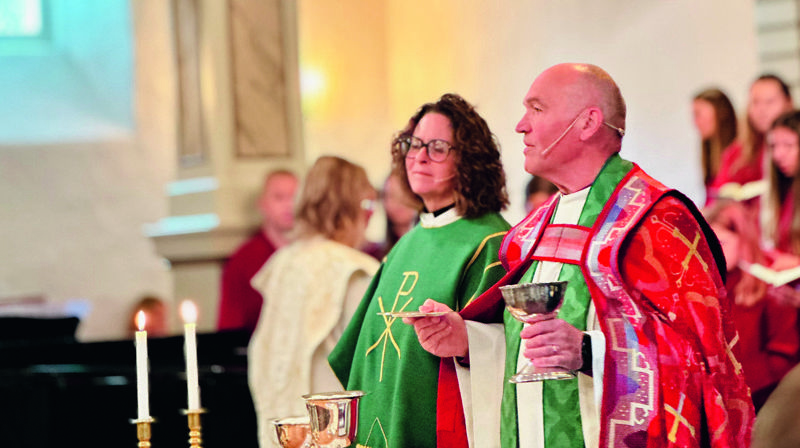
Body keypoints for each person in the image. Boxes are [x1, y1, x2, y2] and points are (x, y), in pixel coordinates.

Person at [408, 63, 754, 447]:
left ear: (588, 123)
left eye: (536, 109)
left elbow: (703, 365)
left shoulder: (656, 221)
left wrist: (589, 351)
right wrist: (468, 339)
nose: (521, 125)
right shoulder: (529, 235)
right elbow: (528, 350)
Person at [328, 93, 511, 448]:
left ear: (470, 159)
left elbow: (499, 356)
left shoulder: (490, 243)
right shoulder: (409, 243)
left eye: (438, 147)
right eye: (413, 144)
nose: (420, 157)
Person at [247, 156, 380, 448]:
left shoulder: (283, 262)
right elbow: (374, 365)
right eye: (367, 205)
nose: (369, 216)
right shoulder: (355, 270)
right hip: (334, 432)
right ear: (349, 208)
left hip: (283, 428)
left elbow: (262, 354)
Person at [705, 200, 798, 411]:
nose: (714, 251)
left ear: (743, 240)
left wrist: (737, 388)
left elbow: (783, 361)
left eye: (722, 242)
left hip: (762, 403)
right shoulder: (711, 290)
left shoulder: (772, 291)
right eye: (710, 243)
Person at [217, 169, 298, 334]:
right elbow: (230, 324)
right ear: (263, 204)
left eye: (295, 197)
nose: (289, 205)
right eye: (279, 197)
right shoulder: (244, 259)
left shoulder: (315, 253)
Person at [710, 75, 793, 204]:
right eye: (755, 102)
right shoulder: (738, 152)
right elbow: (718, 195)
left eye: (769, 101)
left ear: (789, 103)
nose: (762, 109)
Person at [692, 88, 738, 203]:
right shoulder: (709, 153)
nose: (695, 122)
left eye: (698, 114)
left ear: (720, 113)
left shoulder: (738, 152)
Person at [360, 172, 419, 261]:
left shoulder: (428, 249)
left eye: (405, 194)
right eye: (391, 195)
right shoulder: (371, 254)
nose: (399, 202)